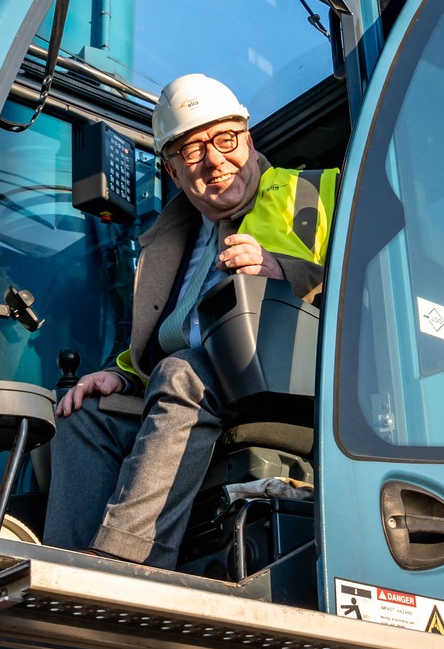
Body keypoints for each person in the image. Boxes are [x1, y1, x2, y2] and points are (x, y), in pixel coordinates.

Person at [42, 73, 333, 570]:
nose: (215, 161)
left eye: (225, 140)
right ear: (174, 173)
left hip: (285, 384)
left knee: (183, 373)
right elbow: (172, 331)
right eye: (193, 151)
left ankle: (124, 564)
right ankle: (65, 569)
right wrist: (121, 373)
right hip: (193, 388)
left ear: (248, 138)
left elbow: (371, 288)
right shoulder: (173, 239)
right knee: (84, 413)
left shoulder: (316, 193)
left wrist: (284, 271)